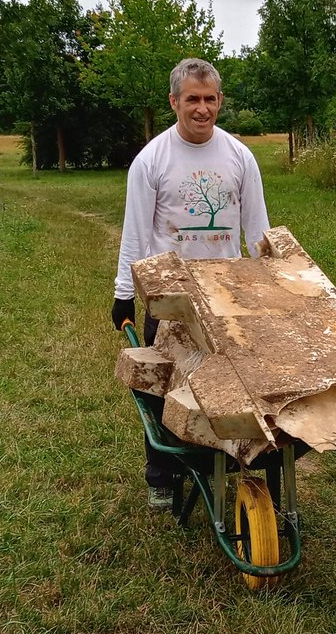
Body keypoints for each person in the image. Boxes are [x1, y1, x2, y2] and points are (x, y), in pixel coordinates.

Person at [111, 57, 271, 509]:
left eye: (209, 99)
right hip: (171, 297)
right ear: (174, 102)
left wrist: (266, 287)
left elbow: (258, 230)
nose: (201, 109)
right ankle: (162, 474)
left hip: (225, 295)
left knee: (225, 386)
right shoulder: (152, 160)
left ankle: (221, 461)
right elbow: (136, 232)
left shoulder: (239, 156)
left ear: (219, 101)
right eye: (192, 100)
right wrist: (124, 291)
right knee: (161, 385)